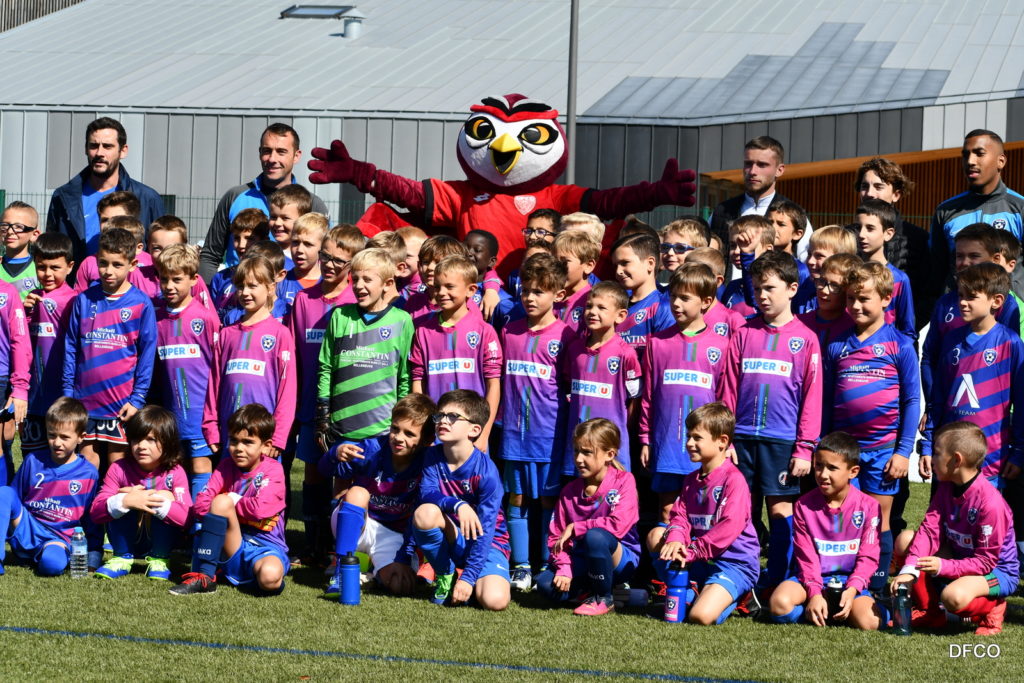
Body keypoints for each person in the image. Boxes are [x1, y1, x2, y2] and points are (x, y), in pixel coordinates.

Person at [720, 250, 822, 591]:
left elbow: (811, 399)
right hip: (741, 440)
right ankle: (742, 580)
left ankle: (776, 581)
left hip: (782, 441)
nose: (762, 296)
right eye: (757, 289)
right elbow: (728, 390)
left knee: (780, 513)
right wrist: (725, 439)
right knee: (740, 513)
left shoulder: (806, 339)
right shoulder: (743, 333)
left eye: (770, 288)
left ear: (792, 289)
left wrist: (804, 448)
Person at [310, 248, 413, 563]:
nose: (359, 286)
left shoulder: (402, 321)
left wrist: (400, 424)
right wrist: (323, 415)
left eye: (368, 279)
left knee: (375, 496)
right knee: (341, 494)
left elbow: (405, 377)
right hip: (343, 427)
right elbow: (326, 368)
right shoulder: (340, 317)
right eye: (355, 279)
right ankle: (340, 558)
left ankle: (368, 557)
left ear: (388, 283)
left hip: (380, 431)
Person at [824, 262, 919, 594]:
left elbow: (911, 401)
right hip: (843, 452)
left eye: (864, 298)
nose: (856, 306)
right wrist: (824, 445)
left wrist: (903, 452)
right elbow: (826, 400)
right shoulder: (837, 344)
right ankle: (841, 579)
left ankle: (876, 587)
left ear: (886, 299)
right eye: (850, 298)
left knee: (878, 518)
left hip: (882, 451)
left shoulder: (900, 345)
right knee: (843, 514)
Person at [892, 421, 1019, 635]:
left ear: (956, 460)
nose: (932, 459)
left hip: (996, 571)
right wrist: (909, 570)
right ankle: (931, 612)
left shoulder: (990, 504)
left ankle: (994, 607)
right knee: (906, 540)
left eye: (937, 453)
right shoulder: (946, 486)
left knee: (953, 597)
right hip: (960, 557)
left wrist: (943, 566)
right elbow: (929, 530)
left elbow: (986, 562)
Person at [647, 402, 760, 625]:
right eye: (688, 436)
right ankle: (690, 588)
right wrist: (676, 539)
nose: (689, 443)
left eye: (697, 438)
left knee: (700, 616)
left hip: (734, 564)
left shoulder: (733, 480)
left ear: (722, 441)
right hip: (701, 560)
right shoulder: (690, 480)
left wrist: (691, 551)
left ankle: (741, 594)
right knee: (656, 536)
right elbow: (680, 517)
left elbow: (728, 527)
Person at [499, 253, 574, 590]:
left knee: (547, 501)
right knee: (516, 498)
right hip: (514, 436)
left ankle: (546, 562)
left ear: (558, 294)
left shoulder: (567, 336)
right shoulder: (509, 331)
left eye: (538, 292)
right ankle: (520, 566)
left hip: (549, 437)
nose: (529, 297)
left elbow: (570, 387)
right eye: (525, 290)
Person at [320, 393, 436, 597]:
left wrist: (403, 557)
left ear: (427, 440)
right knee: (358, 493)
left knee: (400, 585)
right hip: (358, 523)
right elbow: (324, 470)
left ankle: (372, 573)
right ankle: (341, 572)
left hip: (392, 534)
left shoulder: (429, 463)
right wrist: (334, 454)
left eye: (409, 434)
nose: (398, 438)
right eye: (395, 429)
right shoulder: (371, 449)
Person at [920, 263, 1024, 488]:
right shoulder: (951, 340)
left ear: (996, 301)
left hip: (991, 458)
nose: (962, 302)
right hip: (948, 455)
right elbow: (938, 398)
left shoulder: (1011, 343)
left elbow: (1022, 402)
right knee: (943, 510)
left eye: (971, 297)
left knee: (984, 511)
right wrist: (927, 445)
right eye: (960, 295)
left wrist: (1019, 452)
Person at [639, 264, 728, 522]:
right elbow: (649, 396)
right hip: (666, 442)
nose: (676, 304)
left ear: (706, 302)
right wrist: (645, 438)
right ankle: (666, 550)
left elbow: (725, 399)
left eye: (685, 298)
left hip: (706, 446)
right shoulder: (657, 343)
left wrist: (726, 442)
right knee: (667, 510)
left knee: (703, 512)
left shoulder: (721, 345)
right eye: (673, 296)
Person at [62, 228, 157, 469]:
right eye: (103, 263)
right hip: (84, 400)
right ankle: (88, 496)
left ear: (132, 264)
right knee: (86, 460)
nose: (108, 271)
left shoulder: (141, 303)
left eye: (117, 264)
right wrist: (68, 392)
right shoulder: (84, 300)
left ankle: (116, 496)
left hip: (121, 402)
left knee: (118, 462)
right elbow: (71, 347)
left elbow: (147, 355)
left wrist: (137, 399)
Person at [171, 404, 289, 596]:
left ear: (266, 446)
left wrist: (232, 501)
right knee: (220, 503)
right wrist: (224, 508)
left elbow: (260, 509)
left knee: (270, 577)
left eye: (248, 442)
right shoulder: (225, 466)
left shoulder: (274, 470)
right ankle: (205, 577)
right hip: (230, 543)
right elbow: (200, 505)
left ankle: (234, 574)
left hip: (265, 546)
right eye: (234, 441)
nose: (238, 448)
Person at [768, 432, 882, 630]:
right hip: (812, 579)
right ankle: (816, 610)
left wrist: (853, 589)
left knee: (870, 622)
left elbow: (869, 556)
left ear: (853, 472)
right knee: (779, 604)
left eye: (832, 468)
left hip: (849, 581)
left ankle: (840, 609)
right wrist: (814, 593)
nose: (822, 474)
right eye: (819, 465)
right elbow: (806, 557)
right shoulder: (803, 505)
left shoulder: (869, 506)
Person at [412, 389, 511, 610]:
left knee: (495, 601)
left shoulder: (487, 472)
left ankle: (467, 578)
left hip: (488, 544)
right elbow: (426, 493)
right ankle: (445, 575)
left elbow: (486, 530)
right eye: (440, 415)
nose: (443, 421)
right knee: (424, 513)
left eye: (453, 417)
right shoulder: (432, 456)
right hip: (453, 537)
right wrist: (459, 505)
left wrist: (469, 577)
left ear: (474, 430)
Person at [199, 123, 329, 283]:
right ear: (260, 152)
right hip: (236, 294)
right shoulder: (234, 197)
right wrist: (208, 294)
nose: (272, 159)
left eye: (281, 152)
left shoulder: (312, 204)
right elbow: (210, 255)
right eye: (267, 151)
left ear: (296, 156)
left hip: (292, 296)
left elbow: (326, 258)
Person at [537, 418, 640, 615]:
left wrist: (577, 527)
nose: (578, 459)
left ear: (609, 454)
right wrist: (564, 568)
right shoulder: (569, 491)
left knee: (595, 536)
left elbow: (618, 525)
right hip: (583, 559)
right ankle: (602, 592)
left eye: (586, 452)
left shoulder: (624, 481)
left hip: (619, 559)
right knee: (545, 585)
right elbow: (555, 536)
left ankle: (603, 598)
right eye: (576, 451)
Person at [202, 256, 296, 459]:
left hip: (264, 440)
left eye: (252, 286)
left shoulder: (280, 334)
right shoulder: (226, 334)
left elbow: (287, 390)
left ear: (270, 288)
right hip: (230, 437)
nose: (245, 292)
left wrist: (278, 436)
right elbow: (214, 384)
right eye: (240, 286)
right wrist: (210, 426)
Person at [408, 255, 502, 451]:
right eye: (437, 286)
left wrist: (484, 433)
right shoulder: (423, 332)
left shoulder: (484, 332)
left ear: (471, 290)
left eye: (449, 287)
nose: (441, 292)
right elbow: (418, 384)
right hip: (435, 436)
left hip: (472, 437)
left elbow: (493, 385)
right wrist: (424, 429)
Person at [90, 406, 192, 581]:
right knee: (122, 499)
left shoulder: (175, 472)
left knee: (164, 498)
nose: (141, 446)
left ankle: (159, 560)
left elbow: (187, 518)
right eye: (136, 439)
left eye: (151, 439)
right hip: (126, 539)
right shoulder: (118, 468)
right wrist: (124, 500)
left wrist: (157, 500)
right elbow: (95, 512)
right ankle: (121, 558)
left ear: (167, 442)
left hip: (163, 542)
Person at [46, 117, 165, 267]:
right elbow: (51, 250)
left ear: (123, 151)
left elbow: (162, 250)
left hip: (131, 281)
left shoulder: (146, 198)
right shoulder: (64, 197)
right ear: (86, 149)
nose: (99, 153)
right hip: (78, 281)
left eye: (107, 146)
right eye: (94, 146)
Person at [153, 244, 221, 501]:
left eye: (177, 280)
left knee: (200, 464)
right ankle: (179, 518)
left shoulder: (205, 318)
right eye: (164, 279)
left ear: (194, 279)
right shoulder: (156, 318)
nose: (169, 286)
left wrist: (212, 414)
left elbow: (216, 367)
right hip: (169, 411)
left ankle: (200, 520)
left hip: (199, 411)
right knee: (174, 466)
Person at [0, 397, 97, 576]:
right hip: (27, 526)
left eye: (64, 437)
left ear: (81, 437)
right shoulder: (33, 460)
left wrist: (93, 557)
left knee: (51, 565)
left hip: (57, 538)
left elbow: (91, 520)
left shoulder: (88, 473)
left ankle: (37, 555)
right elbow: (14, 497)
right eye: (52, 435)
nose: (57, 442)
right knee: (4, 493)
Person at [931, 129, 1024, 300]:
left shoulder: (1019, 208)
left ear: (1001, 161)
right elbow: (935, 270)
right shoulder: (946, 211)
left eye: (979, 154)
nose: (970, 161)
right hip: (958, 310)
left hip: (1009, 312)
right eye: (966, 155)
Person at [562, 282, 642, 475]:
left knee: (610, 487)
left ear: (620, 316)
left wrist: (622, 429)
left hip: (610, 442)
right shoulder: (574, 349)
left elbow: (635, 398)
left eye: (601, 307)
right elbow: (567, 385)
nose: (592, 312)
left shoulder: (625, 353)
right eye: (589, 306)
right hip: (577, 442)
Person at [852, 157, 931, 330]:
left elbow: (928, 295)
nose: (870, 193)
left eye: (878, 187)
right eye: (864, 186)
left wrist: (902, 331)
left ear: (896, 194)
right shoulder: (848, 236)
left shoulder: (918, 239)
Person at [709, 137, 810, 265]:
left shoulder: (793, 215)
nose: (753, 171)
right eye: (748, 164)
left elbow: (808, 265)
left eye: (762, 165)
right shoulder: (722, 211)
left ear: (779, 170)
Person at [21, 233, 76, 455]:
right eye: (41, 267)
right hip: (34, 393)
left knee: (59, 453)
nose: (48, 274)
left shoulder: (73, 300)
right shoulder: (33, 297)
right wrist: (25, 312)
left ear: (70, 267)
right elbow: (23, 339)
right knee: (32, 453)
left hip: (60, 391)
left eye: (55, 267)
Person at [855, 199, 915, 339]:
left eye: (870, 228)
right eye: (858, 227)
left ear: (888, 234)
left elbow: (907, 330)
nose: (861, 234)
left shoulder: (899, 279)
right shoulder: (850, 273)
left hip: (885, 350)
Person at [612, 232, 674, 358]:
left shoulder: (663, 309)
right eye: (615, 265)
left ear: (650, 263)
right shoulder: (613, 305)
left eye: (625, 263)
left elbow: (665, 359)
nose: (618, 271)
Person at [210, 208, 271, 318]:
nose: (241, 245)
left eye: (249, 239)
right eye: (237, 238)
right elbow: (211, 315)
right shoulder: (221, 278)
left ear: (264, 241)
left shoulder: (271, 278)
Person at [797, 253, 859, 349]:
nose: (824, 290)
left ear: (849, 291)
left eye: (835, 286)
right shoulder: (799, 322)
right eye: (822, 281)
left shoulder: (854, 328)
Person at [683, 247, 746, 335]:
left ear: (718, 281)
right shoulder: (679, 314)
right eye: (685, 273)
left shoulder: (732, 320)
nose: (688, 279)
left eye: (698, 275)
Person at [721, 215, 775, 318]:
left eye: (747, 244)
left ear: (768, 250)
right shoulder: (732, 286)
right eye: (733, 245)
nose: (737, 251)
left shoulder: (774, 289)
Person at [553, 229, 599, 336]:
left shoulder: (594, 303)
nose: (556, 267)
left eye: (565, 262)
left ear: (589, 266)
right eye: (554, 261)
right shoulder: (548, 298)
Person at [0, 201, 40, 299]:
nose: (10, 231)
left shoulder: (40, 269)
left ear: (34, 235)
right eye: (5, 225)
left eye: (18, 227)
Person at [657, 218, 709, 287]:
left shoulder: (700, 289)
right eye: (666, 247)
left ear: (698, 252)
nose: (670, 253)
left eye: (680, 248)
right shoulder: (666, 289)